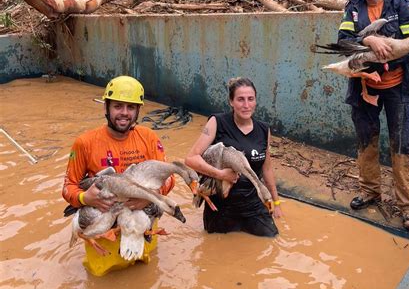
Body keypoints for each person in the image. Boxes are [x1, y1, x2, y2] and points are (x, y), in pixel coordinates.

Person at [338, 0, 409, 232]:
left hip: (398, 88)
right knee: (367, 140)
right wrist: (369, 42)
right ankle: (370, 192)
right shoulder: (353, 7)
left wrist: (385, 58)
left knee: (401, 146)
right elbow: (343, 40)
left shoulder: (402, 4)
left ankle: (407, 207)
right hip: (364, 85)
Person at [62, 75, 174, 272]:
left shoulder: (148, 138)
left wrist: (148, 199)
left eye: (131, 107)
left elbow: (169, 179)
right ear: (106, 107)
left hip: (141, 224)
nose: (124, 113)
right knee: (101, 283)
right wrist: (85, 198)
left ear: (138, 110)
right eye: (118, 106)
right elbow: (68, 187)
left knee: (146, 277)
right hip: (104, 228)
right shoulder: (85, 143)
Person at [185, 77, 282, 237]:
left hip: (253, 204)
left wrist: (276, 203)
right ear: (231, 101)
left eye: (250, 99)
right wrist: (221, 175)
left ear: (255, 101)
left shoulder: (264, 130)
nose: (246, 105)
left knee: (272, 240)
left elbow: (267, 169)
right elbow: (191, 159)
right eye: (240, 99)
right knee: (216, 251)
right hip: (222, 207)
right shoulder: (217, 122)